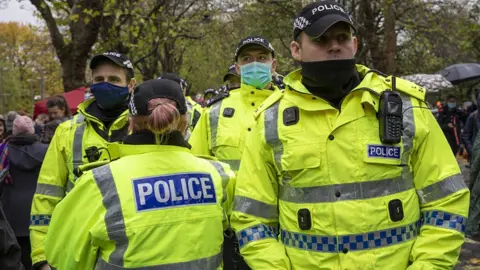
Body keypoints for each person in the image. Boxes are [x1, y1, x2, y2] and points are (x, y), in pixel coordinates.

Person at [230, 2, 470, 269]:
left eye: (342, 38)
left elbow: (447, 201)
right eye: (321, 39)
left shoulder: (405, 107)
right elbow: (251, 218)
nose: (334, 46)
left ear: (354, 45)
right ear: (296, 50)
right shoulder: (271, 120)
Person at [43, 79, 234, 270]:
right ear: (185, 122)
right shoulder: (219, 175)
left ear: (130, 122)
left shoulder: (101, 183)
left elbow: (63, 257)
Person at [30, 51, 135, 270]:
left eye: (114, 80)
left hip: (133, 252)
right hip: (77, 254)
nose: (105, 85)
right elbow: (46, 197)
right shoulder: (66, 132)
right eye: (99, 80)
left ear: (131, 85)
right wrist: (41, 257)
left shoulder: (143, 129)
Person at [189, 35, 281, 270]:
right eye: (247, 59)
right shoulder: (215, 112)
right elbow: (195, 170)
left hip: (280, 233)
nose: (255, 64)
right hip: (226, 235)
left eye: (262, 58)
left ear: (274, 64)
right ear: (238, 68)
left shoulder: (290, 107)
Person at [2, 116, 48, 270]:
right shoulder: (46, 151)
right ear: (32, 130)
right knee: (40, 257)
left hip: (10, 213)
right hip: (40, 213)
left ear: (13, 131)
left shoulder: (3, 151)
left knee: (14, 258)